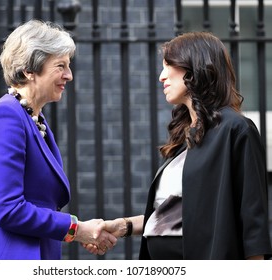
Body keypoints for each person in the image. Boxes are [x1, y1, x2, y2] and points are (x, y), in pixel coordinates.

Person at [87, 31, 272, 259]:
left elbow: (252, 221)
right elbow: (177, 215)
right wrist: (123, 226)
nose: (161, 76)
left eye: (168, 65)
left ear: (193, 67)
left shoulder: (236, 129)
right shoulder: (185, 135)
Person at [0, 19, 116, 260]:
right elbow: (8, 209)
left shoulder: (31, 118)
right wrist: (76, 230)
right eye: (60, 66)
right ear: (29, 70)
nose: (69, 75)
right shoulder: (6, 117)